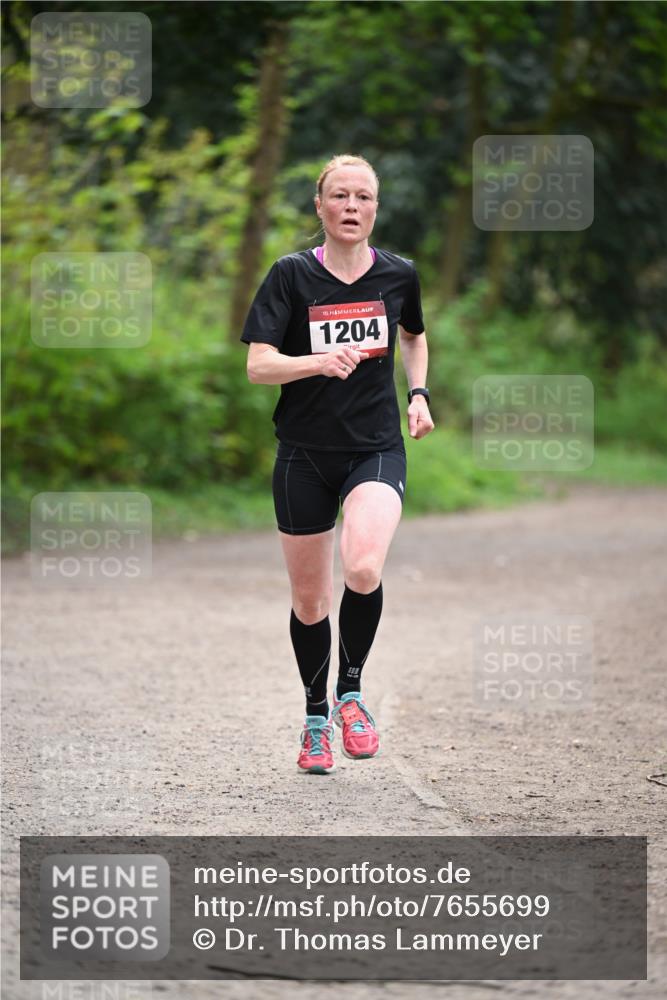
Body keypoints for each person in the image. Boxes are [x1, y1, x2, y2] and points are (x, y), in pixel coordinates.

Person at [240, 154, 434, 774]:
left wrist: (420, 394)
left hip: (375, 446)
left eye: (364, 198)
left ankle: (351, 696)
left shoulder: (399, 275)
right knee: (309, 602)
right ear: (320, 207)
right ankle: (315, 719)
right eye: (340, 196)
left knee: (364, 565)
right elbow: (258, 365)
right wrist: (315, 362)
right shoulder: (291, 276)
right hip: (303, 454)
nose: (352, 207)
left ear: (376, 209)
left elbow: (413, 333)